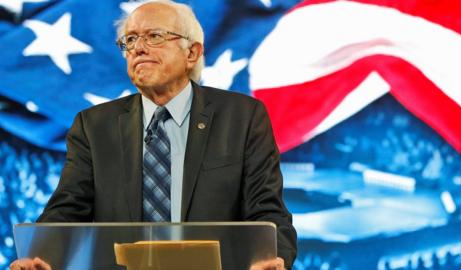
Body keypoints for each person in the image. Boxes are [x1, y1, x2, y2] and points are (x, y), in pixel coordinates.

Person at [10, 0, 297, 269]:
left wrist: (272, 258)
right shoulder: (94, 125)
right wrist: (40, 256)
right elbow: (67, 209)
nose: (138, 48)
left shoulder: (242, 116)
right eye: (130, 40)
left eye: (155, 36)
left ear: (192, 53)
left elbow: (267, 209)